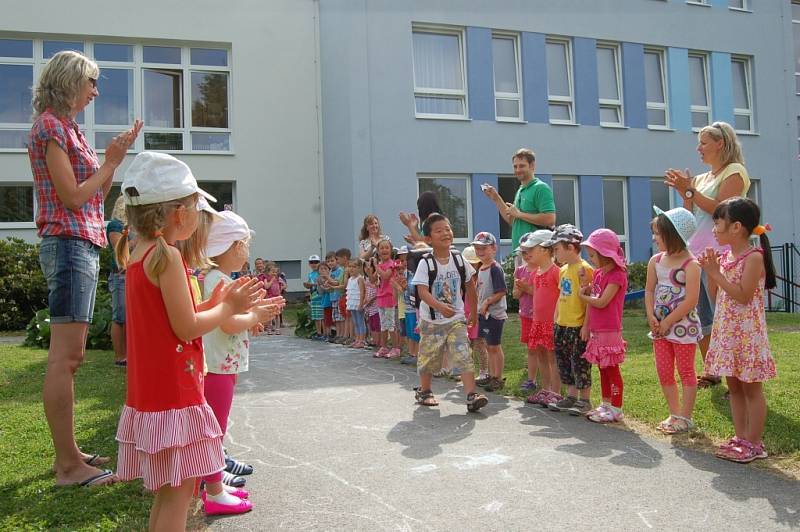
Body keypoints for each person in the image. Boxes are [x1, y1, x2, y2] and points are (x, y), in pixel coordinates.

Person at [113, 152, 263, 530]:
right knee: (179, 497)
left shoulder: (138, 254)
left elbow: (174, 317)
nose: (199, 217)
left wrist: (213, 303)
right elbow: (188, 327)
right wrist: (228, 306)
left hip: (152, 394)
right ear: (179, 213)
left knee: (169, 494)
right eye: (196, 207)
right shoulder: (168, 257)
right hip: (175, 397)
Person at [29, 49, 142, 487]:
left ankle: (71, 453)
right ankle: (68, 468)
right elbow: (73, 198)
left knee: (69, 357)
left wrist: (115, 156)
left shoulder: (69, 128)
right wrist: (111, 161)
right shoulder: (51, 127)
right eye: (91, 82)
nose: (96, 91)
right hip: (68, 243)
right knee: (67, 357)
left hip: (81, 244)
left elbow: (93, 194)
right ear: (70, 82)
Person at [200, 210, 283, 515]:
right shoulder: (218, 281)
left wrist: (254, 316)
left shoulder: (219, 278)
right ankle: (212, 487)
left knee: (215, 426)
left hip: (223, 363)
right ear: (235, 247)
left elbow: (234, 319)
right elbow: (229, 324)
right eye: (246, 245)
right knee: (214, 427)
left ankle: (212, 478)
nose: (248, 252)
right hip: (217, 364)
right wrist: (255, 316)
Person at [664, 122, 751, 388]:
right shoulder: (701, 179)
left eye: (703, 142)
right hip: (696, 255)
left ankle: (736, 378)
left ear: (720, 144)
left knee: (722, 315)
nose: (698, 148)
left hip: (720, 255)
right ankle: (712, 370)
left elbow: (721, 210)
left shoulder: (735, 172)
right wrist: (685, 193)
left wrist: (690, 190)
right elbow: (690, 215)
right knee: (702, 316)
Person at [698, 198, 777, 463]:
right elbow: (715, 295)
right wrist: (711, 272)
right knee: (734, 387)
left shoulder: (754, 257)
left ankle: (754, 443)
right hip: (727, 332)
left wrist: (715, 273)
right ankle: (741, 437)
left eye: (718, 222)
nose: (714, 228)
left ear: (736, 227)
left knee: (751, 389)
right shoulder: (725, 257)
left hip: (747, 335)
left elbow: (743, 296)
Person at [411, 213, 488, 412]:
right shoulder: (425, 263)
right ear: (428, 239)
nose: (446, 233)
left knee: (463, 354)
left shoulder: (458, 258)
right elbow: (422, 291)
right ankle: (425, 390)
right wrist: (439, 307)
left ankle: (471, 395)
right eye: (439, 231)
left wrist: (473, 311)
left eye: (448, 229)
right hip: (432, 321)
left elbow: (469, 284)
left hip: (456, 319)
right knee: (429, 358)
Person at [645, 207, 702, 434]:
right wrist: (651, 316)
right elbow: (649, 291)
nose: (654, 238)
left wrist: (669, 321)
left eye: (658, 233)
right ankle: (674, 413)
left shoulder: (692, 265)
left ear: (673, 234)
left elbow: (691, 300)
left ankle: (685, 417)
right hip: (660, 328)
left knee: (686, 371)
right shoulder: (655, 261)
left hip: (683, 329)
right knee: (664, 371)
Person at [578, 229, 628, 423]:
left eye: (592, 255)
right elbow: (595, 300)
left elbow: (601, 302)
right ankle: (606, 403)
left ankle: (616, 407)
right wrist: (587, 326)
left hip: (610, 329)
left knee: (612, 368)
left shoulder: (617, 276)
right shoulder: (598, 274)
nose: (590, 259)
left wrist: (583, 296)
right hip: (598, 330)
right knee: (602, 367)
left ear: (605, 254)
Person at [545, 225, 594, 415]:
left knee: (579, 362)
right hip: (562, 324)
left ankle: (585, 400)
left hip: (577, 325)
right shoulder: (563, 269)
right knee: (564, 361)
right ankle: (571, 396)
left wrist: (587, 325)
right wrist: (556, 317)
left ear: (571, 247)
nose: (554, 253)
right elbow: (561, 295)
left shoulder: (585, 269)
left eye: (556, 249)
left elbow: (589, 299)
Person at [516, 230, 562, 408]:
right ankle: (546, 388)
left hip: (551, 322)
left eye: (531, 249)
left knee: (552, 357)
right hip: (538, 322)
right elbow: (537, 295)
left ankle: (556, 393)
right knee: (541, 355)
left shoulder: (556, 272)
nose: (528, 254)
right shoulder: (536, 273)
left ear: (544, 249)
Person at [481, 148, 556, 252]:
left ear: (532, 165)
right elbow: (512, 220)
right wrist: (496, 198)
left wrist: (519, 214)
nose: (517, 170)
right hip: (520, 252)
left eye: (522, 166)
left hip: (536, 253)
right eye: (515, 166)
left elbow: (550, 219)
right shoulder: (520, 190)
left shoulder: (541, 188)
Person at [471, 232, 508, 393]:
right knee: (488, 345)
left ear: (493, 248)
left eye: (484, 248)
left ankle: (497, 377)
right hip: (484, 314)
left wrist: (487, 302)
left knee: (494, 346)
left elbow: (501, 291)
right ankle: (491, 375)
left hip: (494, 314)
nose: (480, 252)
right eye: (477, 249)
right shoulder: (481, 268)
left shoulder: (495, 268)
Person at [107, 195, 131, 367]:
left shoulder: (131, 227)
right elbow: (120, 249)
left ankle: (130, 354)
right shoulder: (115, 225)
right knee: (120, 317)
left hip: (130, 275)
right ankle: (120, 356)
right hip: (120, 276)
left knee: (129, 317)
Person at [462, 246, 488, 381]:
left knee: (480, 343)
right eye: (468, 263)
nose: (471, 266)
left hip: (478, 314)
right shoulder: (465, 279)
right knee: (467, 344)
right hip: (466, 314)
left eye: (473, 263)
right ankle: (468, 371)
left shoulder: (481, 277)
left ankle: (484, 371)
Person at [374, 238, 401, 358]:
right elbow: (373, 279)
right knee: (383, 324)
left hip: (389, 297)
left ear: (391, 250)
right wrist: (372, 269)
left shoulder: (391, 264)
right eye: (381, 248)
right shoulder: (379, 265)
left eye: (386, 247)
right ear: (378, 251)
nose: (384, 250)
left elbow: (385, 276)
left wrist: (376, 267)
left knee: (391, 324)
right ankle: (384, 347)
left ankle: (396, 348)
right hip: (380, 297)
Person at [345, 259, 367, 349]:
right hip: (352, 303)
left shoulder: (360, 279)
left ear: (359, 268)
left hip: (358, 302)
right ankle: (357, 339)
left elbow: (362, 292)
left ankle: (362, 340)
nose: (351, 269)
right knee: (355, 322)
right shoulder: (350, 279)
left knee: (360, 321)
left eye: (354, 267)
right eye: (350, 266)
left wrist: (361, 304)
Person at [304, 255, 324, 339]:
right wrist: (307, 286)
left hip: (320, 297)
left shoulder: (320, 273)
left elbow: (321, 283)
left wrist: (312, 284)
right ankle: (318, 332)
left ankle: (324, 332)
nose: (314, 264)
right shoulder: (310, 274)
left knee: (321, 316)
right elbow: (310, 284)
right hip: (313, 297)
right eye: (311, 262)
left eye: (316, 262)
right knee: (315, 316)